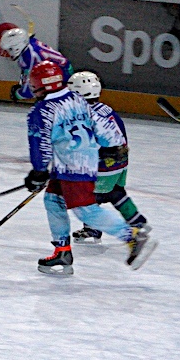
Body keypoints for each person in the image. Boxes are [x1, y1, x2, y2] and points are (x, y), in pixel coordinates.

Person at [23, 61, 157, 276]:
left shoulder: (42, 110)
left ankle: (132, 237)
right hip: (75, 164)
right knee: (53, 200)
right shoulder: (76, 98)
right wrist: (113, 145)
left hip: (74, 167)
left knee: (86, 210)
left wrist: (38, 171)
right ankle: (62, 252)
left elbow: (40, 144)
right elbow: (99, 122)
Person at [67, 71, 148, 242]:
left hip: (104, 165)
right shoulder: (106, 109)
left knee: (88, 199)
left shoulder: (85, 115)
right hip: (121, 162)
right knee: (116, 193)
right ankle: (138, 222)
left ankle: (94, 229)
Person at [0, 26, 74, 103]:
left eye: (9, 49)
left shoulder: (30, 57)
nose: (7, 53)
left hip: (62, 75)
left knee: (46, 101)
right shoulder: (28, 44)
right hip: (60, 70)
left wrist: (17, 94)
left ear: (16, 47)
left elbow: (30, 91)